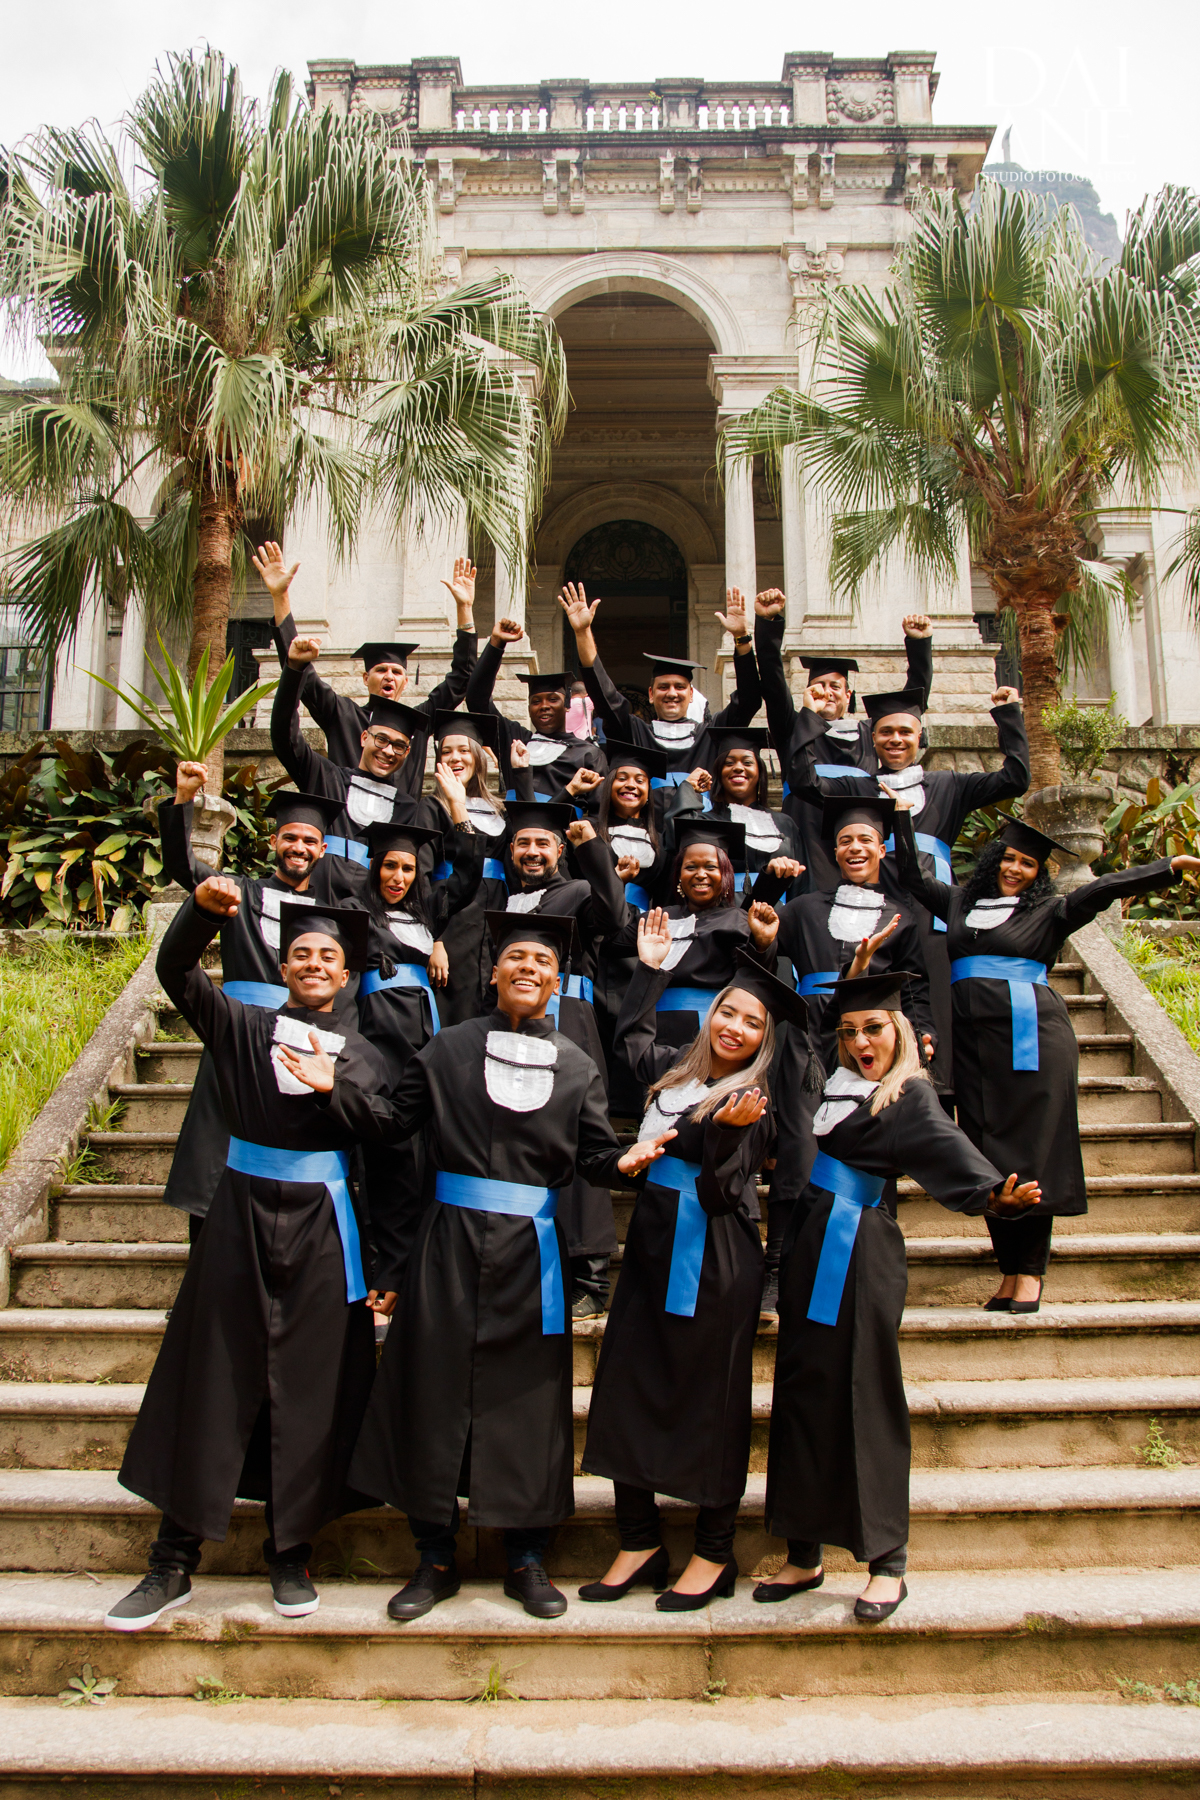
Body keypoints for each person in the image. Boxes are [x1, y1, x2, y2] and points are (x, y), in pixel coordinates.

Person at [344, 913, 674, 1621]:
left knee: (526, 1400)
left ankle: (526, 1557)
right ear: (492, 972)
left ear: (558, 982)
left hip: (531, 1252)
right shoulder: (445, 1049)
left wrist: (623, 1162)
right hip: (446, 1242)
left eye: (542, 961)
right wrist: (331, 1089)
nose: (528, 967)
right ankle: (433, 1556)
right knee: (430, 1391)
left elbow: (591, 1156)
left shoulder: (578, 1066)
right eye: (515, 957)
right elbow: (392, 1128)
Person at [107, 892, 394, 1631]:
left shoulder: (365, 1054)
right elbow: (176, 972)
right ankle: (172, 1560)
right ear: (283, 964)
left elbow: (390, 1139)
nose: (314, 963)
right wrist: (199, 914)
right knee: (213, 1374)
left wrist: (338, 1094)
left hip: (324, 1228)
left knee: (308, 1386)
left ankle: (289, 1553)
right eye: (301, 954)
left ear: (347, 971)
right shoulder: (243, 1026)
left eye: (328, 955)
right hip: (238, 1217)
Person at [762, 969, 1041, 1622]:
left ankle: (887, 1560)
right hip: (808, 1244)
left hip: (860, 1251)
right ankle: (804, 1553)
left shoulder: (906, 1095)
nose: (862, 1040)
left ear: (901, 1033)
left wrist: (993, 1193)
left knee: (865, 1395)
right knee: (801, 1393)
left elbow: (949, 1146)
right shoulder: (832, 1085)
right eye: (852, 1030)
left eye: (876, 1029)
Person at [892, 809, 1200, 1309]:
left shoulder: (1051, 911)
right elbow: (910, 873)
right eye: (1009, 858)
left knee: (1032, 1154)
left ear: (1040, 874)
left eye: (1028, 864)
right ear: (994, 859)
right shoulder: (959, 904)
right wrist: (902, 817)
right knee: (987, 1155)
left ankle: (1029, 1273)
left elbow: (1104, 890)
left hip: (1031, 1041)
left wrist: (1168, 866)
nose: (1015, 868)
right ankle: (1008, 1269)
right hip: (971, 1047)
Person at [581, 944, 806, 1608]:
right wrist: (649, 968)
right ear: (710, 1014)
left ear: (767, 1040)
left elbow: (718, 1195)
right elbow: (632, 1033)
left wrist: (728, 1136)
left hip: (713, 1255)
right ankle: (638, 1537)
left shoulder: (753, 1101)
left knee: (712, 1398)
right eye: (727, 1013)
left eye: (752, 1023)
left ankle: (713, 1552)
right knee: (625, 1384)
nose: (734, 1027)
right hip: (653, 1241)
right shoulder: (675, 1073)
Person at [155, 773, 355, 1234]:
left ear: (323, 849)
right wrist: (184, 799)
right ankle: (201, 1285)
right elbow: (182, 867)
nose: (299, 846)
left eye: (310, 840)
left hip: (301, 1039)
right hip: (236, 1032)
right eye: (290, 838)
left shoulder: (331, 915)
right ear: (274, 842)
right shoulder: (240, 891)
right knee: (212, 1151)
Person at [760, 795, 935, 1318]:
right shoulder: (806, 907)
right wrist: (768, 906)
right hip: (807, 1038)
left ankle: (872, 1263)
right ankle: (778, 1271)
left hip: (872, 1043)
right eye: (844, 841)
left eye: (864, 840)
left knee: (875, 1144)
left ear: (882, 849)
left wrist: (923, 1035)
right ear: (833, 852)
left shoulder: (904, 915)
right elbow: (760, 940)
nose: (854, 848)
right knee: (797, 1151)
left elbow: (919, 987)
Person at [808, 682, 1029, 1095]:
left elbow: (1015, 778)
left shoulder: (948, 784)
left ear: (920, 738)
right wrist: (813, 717)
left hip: (934, 916)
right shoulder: (860, 788)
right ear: (872, 738)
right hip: (878, 912)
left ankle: (936, 1105)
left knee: (932, 1008)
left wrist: (1009, 716)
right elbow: (806, 782)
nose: (896, 739)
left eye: (905, 732)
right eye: (886, 731)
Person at [500, 800, 636, 1315]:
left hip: (567, 1021)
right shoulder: (508, 902)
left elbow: (615, 913)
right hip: (515, 1025)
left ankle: (592, 1271)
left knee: (577, 1133)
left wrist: (592, 850)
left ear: (558, 850)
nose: (532, 852)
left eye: (542, 844)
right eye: (522, 844)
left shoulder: (577, 891)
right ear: (510, 851)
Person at [356, 788, 484, 1284]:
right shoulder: (358, 909)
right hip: (381, 1035)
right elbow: (373, 945)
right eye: (390, 867)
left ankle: (416, 1266)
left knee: (424, 1151)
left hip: (426, 1034)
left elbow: (468, 877)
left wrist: (459, 814)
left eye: (408, 869)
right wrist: (431, 945)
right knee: (387, 1152)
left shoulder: (428, 909)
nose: (398, 878)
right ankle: (384, 1268)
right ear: (375, 867)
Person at [252, 541, 480, 799]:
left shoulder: (418, 722)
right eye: (381, 670)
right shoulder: (342, 715)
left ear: (405, 682)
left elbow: (461, 680)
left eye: (396, 672)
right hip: (347, 826)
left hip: (399, 830)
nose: (389, 676)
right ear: (365, 678)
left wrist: (464, 609)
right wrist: (280, 598)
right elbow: (302, 675)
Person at [752, 590, 934, 885]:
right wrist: (768, 623)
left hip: (857, 821)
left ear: (849, 695)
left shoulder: (869, 732)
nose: (828, 691)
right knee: (809, 888)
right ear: (808, 692)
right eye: (819, 685)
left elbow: (909, 708)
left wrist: (919, 645)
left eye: (836, 686)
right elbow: (772, 682)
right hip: (805, 821)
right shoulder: (793, 726)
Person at [561, 583, 763, 785]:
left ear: (691, 694)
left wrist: (741, 638)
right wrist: (582, 632)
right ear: (650, 693)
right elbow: (604, 697)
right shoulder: (635, 732)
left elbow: (748, 701)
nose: (672, 693)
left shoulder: (710, 735)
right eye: (663, 687)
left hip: (700, 817)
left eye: (680, 687)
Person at [636, 818, 780, 1061]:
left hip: (712, 1030)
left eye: (711, 867)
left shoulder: (740, 921)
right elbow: (613, 935)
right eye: (691, 867)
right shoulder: (660, 917)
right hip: (656, 1030)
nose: (700, 874)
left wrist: (762, 944)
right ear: (679, 875)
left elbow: (751, 984)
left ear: (724, 874)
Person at [418, 710, 511, 1025]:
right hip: (454, 925)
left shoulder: (500, 810)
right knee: (456, 1017)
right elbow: (420, 878)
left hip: (495, 927)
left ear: (479, 756)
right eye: (446, 751)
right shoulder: (432, 808)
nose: (455, 757)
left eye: (463, 749)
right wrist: (435, 939)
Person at [465, 618, 607, 799]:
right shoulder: (516, 742)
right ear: (529, 708)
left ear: (567, 704)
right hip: (514, 826)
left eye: (553, 699)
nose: (544, 706)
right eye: (536, 701)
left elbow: (597, 814)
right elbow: (477, 700)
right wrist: (496, 644)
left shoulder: (588, 754)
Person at [665, 724, 806, 901]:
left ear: (760, 772)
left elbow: (802, 885)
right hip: (723, 911)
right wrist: (687, 788)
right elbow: (676, 837)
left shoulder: (784, 823)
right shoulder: (708, 821)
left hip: (777, 914)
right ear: (719, 773)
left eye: (747, 762)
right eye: (729, 763)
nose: (738, 768)